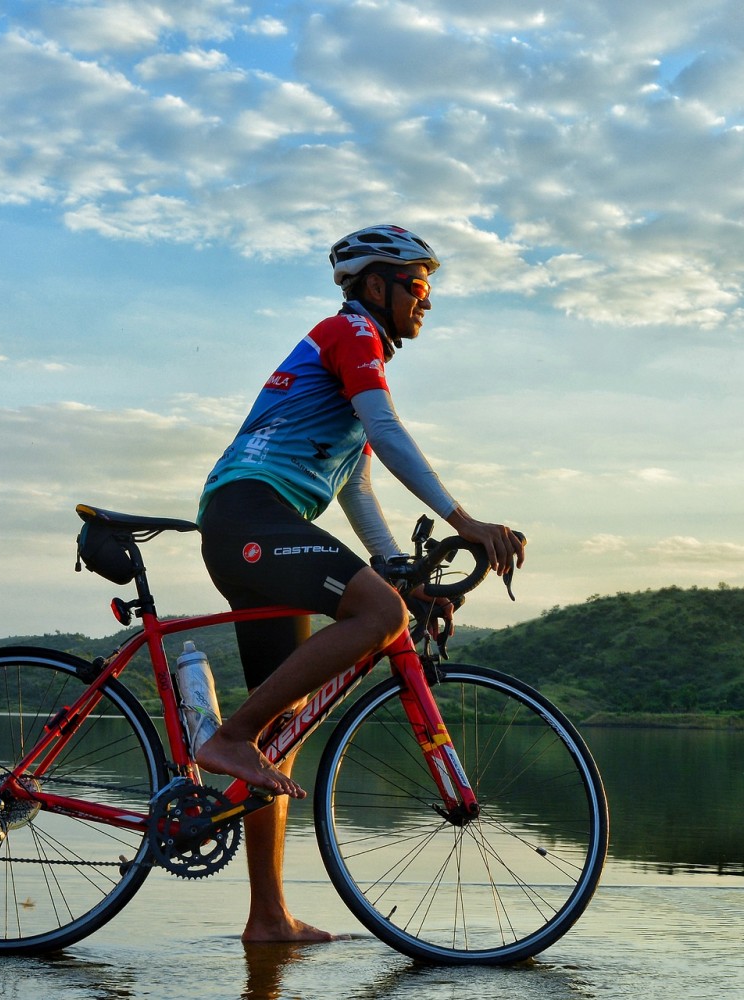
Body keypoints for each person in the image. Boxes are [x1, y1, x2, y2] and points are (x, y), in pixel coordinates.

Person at [194, 224, 525, 942]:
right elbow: (390, 427)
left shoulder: (347, 373)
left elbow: (359, 492)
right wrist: (464, 521)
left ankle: (268, 919)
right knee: (363, 626)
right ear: (376, 286)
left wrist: (401, 580)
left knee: (282, 734)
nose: (426, 300)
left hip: (249, 524)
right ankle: (226, 738)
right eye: (418, 284)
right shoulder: (351, 335)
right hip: (252, 515)